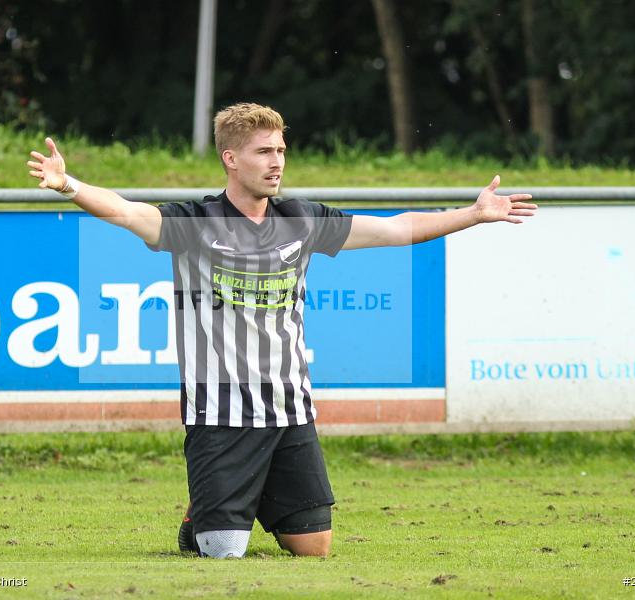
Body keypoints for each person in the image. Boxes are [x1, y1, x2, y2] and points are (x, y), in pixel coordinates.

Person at [27, 103, 537, 559]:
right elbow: (126, 211)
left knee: (314, 548)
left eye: (281, 150)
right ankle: (199, 519)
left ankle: (250, 493)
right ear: (230, 159)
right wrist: (68, 185)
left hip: (289, 406)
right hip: (220, 411)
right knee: (222, 552)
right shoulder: (196, 222)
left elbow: (393, 228)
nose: (277, 162)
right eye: (263, 152)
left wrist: (472, 215)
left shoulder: (301, 219)